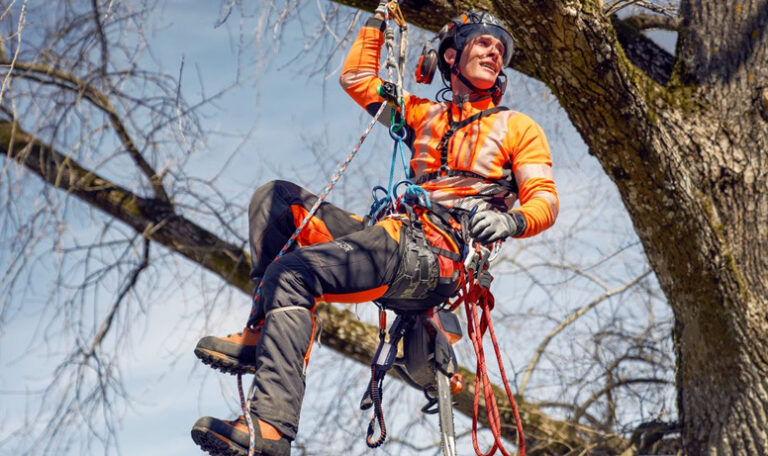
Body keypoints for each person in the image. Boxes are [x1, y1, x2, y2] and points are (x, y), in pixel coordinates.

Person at [190, 5, 558, 456]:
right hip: (394, 235)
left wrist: (511, 220)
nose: (494, 53)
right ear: (451, 55)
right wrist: (377, 21)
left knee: (293, 273)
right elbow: (357, 79)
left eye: (500, 49)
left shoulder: (518, 127)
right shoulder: (422, 114)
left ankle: (270, 426)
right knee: (277, 200)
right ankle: (263, 328)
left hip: (436, 254)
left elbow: (545, 199)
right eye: (484, 43)